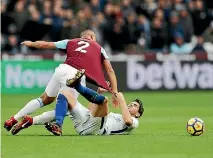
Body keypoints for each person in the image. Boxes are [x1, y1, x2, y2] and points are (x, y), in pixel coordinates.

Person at [4, 29, 118, 132]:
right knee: (68, 106)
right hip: (76, 74)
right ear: (93, 38)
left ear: (82, 37)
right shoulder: (98, 47)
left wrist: (31, 43)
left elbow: (46, 44)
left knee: (44, 99)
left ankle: (13, 118)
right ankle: (56, 125)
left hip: (62, 69)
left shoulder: (71, 41)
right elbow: (110, 70)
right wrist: (115, 92)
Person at [11, 79, 144, 136]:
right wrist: (97, 92)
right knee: (65, 94)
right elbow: (90, 111)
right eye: (131, 103)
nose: (131, 105)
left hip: (96, 130)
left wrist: (120, 98)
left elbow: (127, 120)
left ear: (137, 114)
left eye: (134, 106)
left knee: (104, 101)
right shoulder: (118, 116)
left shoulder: (134, 122)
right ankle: (46, 123)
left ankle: (78, 86)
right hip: (85, 123)